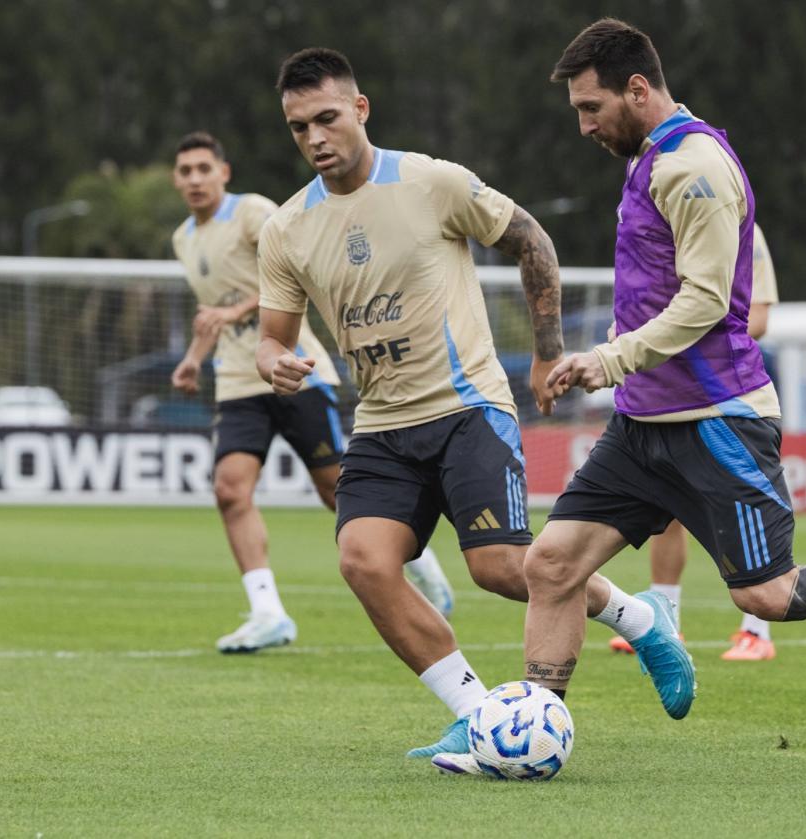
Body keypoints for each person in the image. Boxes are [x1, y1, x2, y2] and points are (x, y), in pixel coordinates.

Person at [431, 22, 806, 775]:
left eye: (592, 106)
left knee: (766, 595)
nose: (584, 124)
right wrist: (612, 366)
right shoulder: (651, 159)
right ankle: (530, 739)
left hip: (716, 420)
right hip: (642, 426)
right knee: (553, 562)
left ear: (639, 89)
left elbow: (704, 303)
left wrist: (609, 359)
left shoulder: (694, 167)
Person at [256, 48, 675, 760]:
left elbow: (531, 240)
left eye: (326, 118)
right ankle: (477, 711)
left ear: (360, 109)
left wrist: (546, 350)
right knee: (362, 560)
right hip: (383, 424)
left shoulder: (431, 181)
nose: (315, 137)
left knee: (501, 567)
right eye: (299, 127)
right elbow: (272, 339)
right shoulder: (287, 229)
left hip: (467, 408)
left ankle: (641, 621)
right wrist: (275, 363)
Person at [170, 131, 455, 652]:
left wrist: (237, 311)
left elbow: (293, 270)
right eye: (184, 170)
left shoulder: (253, 213)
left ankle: (422, 564)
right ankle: (267, 613)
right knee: (229, 489)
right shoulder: (183, 238)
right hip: (237, 380)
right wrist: (192, 362)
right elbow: (211, 316)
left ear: (223, 173)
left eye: (202, 169)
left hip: (296, 369)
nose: (193, 179)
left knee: (336, 492)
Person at [608, 221, 780, 661]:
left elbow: (756, 317)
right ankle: (667, 622)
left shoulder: (737, 227)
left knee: (743, 510)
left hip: (724, 402)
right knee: (666, 514)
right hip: (664, 399)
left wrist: (676, 342)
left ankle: (756, 633)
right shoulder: (655, 231)